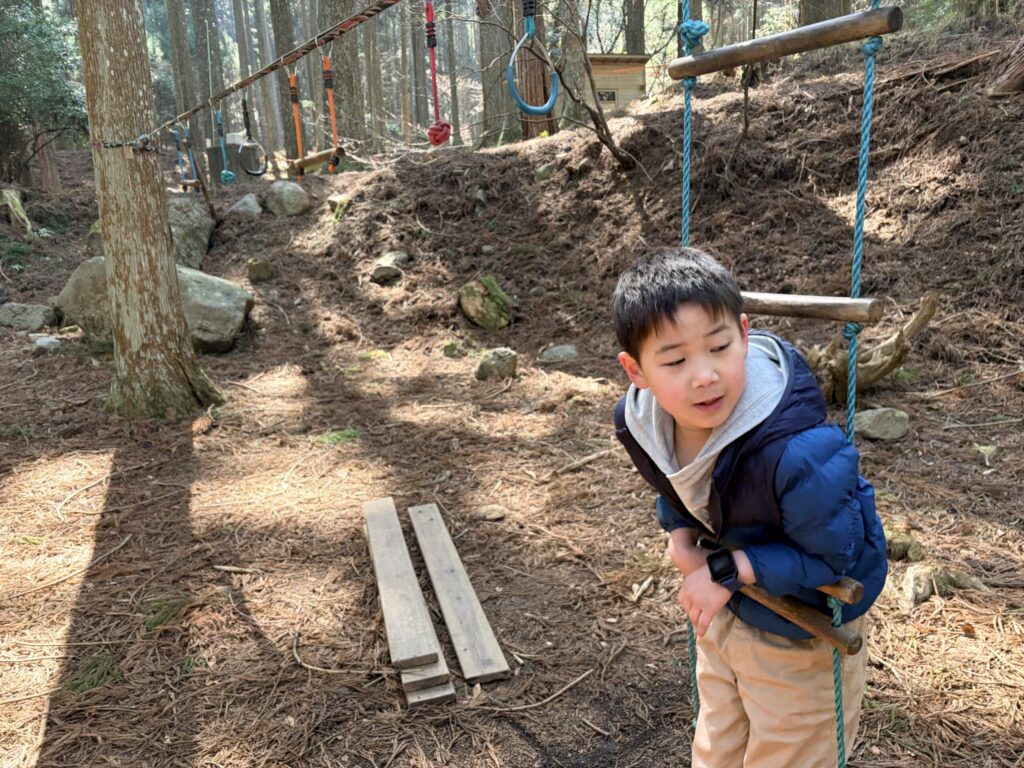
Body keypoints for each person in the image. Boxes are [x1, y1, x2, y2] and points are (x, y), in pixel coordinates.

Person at [611, 248, 887, 767]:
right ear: (636, 370)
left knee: (792, 752)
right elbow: (678, 482)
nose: (704, 376)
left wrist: (727, 567)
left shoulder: (799, 451)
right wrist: (678, 532)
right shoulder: (641, 420)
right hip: (729, 609)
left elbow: (839, 558)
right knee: (718, 745)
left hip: (801, 629)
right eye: (674, 361)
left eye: (719, 347)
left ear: (743, 332)